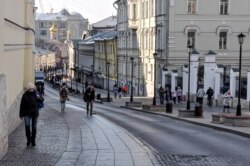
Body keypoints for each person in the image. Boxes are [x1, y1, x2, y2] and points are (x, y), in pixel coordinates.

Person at [19, 82, 43, 147]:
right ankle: (28, 140)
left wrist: (39, 97)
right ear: (27, 89)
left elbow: (42, 100)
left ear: (34, 88)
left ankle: (33, 141)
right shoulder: (25, 95)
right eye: (30, 89)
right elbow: (22, 105)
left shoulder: (36, 93)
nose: (31, 90)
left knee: (34, 127)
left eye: (32, 89)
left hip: (35, 113)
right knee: (27, 126)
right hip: (27, 113)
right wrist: (21, 114)